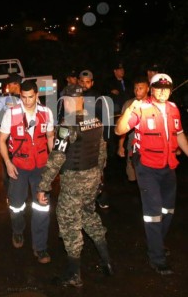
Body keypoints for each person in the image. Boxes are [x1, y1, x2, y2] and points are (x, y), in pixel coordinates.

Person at [37, 84, 113, 288]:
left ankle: (74, 275)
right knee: (89, 216)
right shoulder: (95, 122)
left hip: (74, 184)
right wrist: (98, 178)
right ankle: (106, 260)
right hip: (92, 179)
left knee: (70, 225)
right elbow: (102, 153)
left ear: (69, 101)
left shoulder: (66, 125)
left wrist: (43, 186)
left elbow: (57, 158)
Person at [115, 73, 188, 275]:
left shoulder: (173, 109)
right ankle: (157, 257)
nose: (162, 91)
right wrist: (130, 109)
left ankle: (156, 241)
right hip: (147, 167)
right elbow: (119, 130)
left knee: (168, 211)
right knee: (153, 212)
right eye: (158, 87)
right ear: (152, 89)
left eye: (166, 88)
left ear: (171, 90)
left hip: (168, 166)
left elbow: (179, 134)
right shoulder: (141, 107)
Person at [0, 80, 55, 263]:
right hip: (19, 167)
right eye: (24, 97)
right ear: (20, 95)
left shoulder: (46, 113)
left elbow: (50, 137)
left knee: (42, 206)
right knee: (16, 205)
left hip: (41, 167)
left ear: (37, 95)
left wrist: (54, 164)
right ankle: (18, 231)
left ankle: (40, 247)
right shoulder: (12, 113)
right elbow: (1, 140)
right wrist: (7, 163)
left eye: (31, 97)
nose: (27, 101)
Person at [79, 69, 113, 209]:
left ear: (92, 83)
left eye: (88, 82)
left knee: (98, 172)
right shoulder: (74, 97)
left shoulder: (99, 99)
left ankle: (101, 197)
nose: (84, 84)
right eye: (82, 81)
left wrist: (106, 141)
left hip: (97, 142)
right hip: (80, 142)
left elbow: (106, 121)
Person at [116, 76, 150, 182]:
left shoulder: (153, 103)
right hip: (133, 145)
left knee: (148, 177)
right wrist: (120, 146)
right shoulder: (129, 104)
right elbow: (122, 128)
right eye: (135, 88)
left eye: (141, 88)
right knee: (132, 175)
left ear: (148, 89)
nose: (137, 91)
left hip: (150, 146)